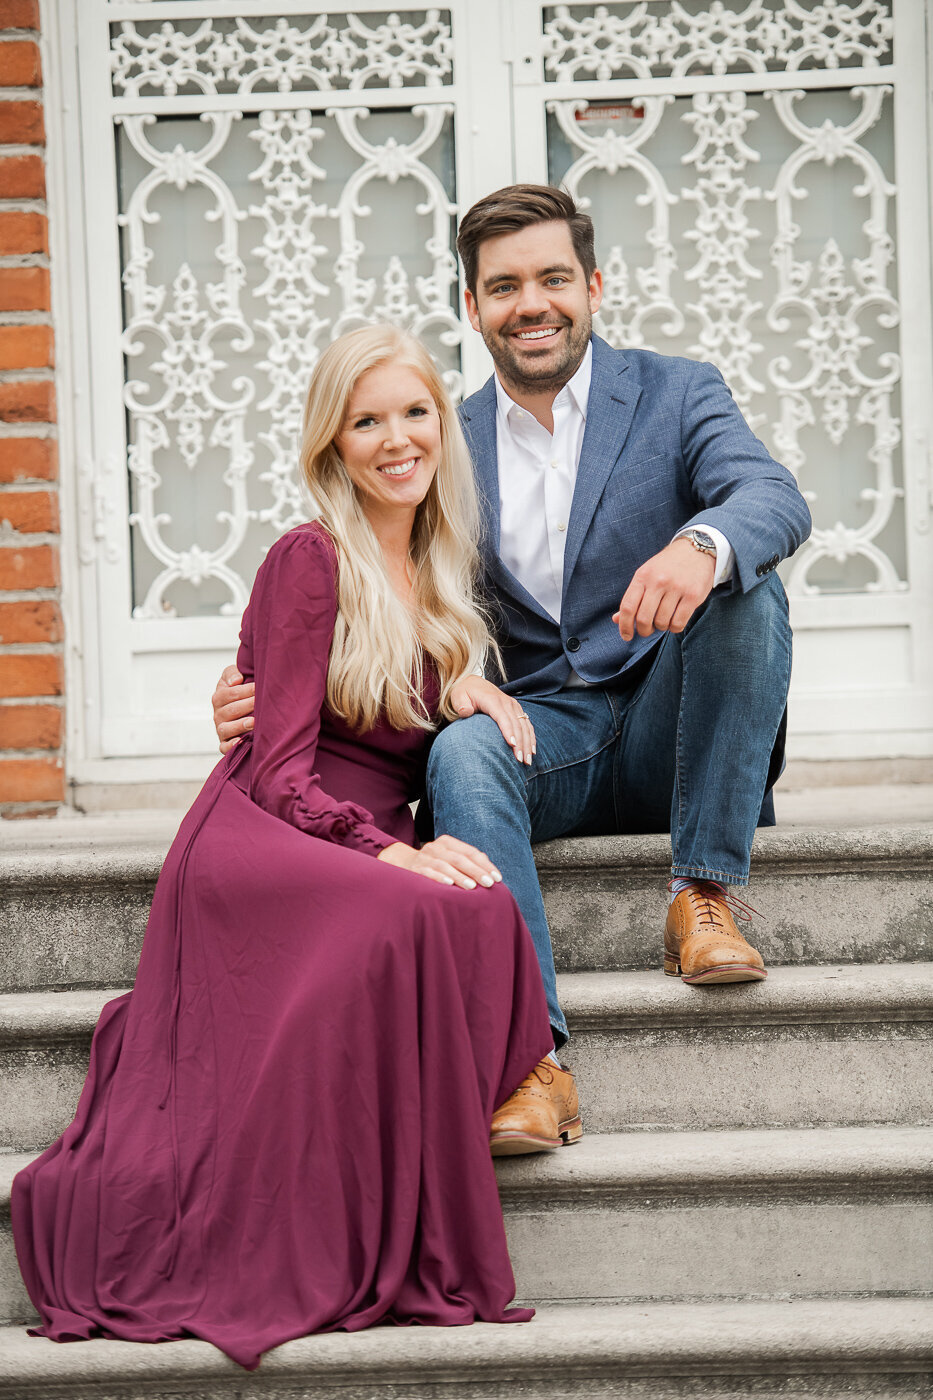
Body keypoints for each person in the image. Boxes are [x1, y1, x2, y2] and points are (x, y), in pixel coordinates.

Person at [213, 185, 813, 1154]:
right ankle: (532, 1060)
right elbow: (377, 586)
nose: (531, 303)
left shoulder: (676, 393)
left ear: (593, 287)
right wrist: (272, 681)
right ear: (472, 305)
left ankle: (700, 894)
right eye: (503, 286)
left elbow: (770, 495)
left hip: (673, 725)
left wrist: (699, 546)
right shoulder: (438, 437)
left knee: (747, 586)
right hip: (547, 739)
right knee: (462, 750)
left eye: (552, 279)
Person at [12, 325, 557, 1372]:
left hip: (351, 830)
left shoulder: (438, 567)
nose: (397, 440)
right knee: (421, 906)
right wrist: (387, 854)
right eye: (367, 421)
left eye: (414, 413)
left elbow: (400, 695)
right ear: (332, 444)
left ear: (442, 425)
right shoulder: (311, 558)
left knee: (481, 908)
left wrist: (463, 685)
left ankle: (401, 1174)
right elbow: (280, 768)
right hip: (268, 828)